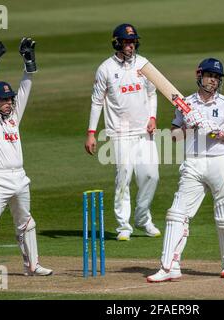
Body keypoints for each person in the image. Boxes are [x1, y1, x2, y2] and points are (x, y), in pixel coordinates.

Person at [147, 58, 224, 282]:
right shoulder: (186, 104)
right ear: (200, 76)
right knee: (176, 214)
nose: (214, 81)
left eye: (217, 77)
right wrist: (188, 126)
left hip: (220, 162)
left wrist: (220, 133)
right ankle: (169, 266)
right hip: (193, 162)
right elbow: (173, 136)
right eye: (210, 76)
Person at [0, 37, 52, 283]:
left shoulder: (14, 117)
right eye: (2, 100)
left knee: (26, 222)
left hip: (20, 177)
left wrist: (29, 64)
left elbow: (25, 89)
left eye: (8, 99)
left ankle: (32, 265)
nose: (7, 103)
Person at [85, 23, 161, 241]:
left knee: (151, 176)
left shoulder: (145, 64)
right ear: (117, 43)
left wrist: (153, 117)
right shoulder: (105, 69)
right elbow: (96, 102)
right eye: (127, 41)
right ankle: (123, 226)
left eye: (133, 41)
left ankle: (142, 218)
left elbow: (153, 93)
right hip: (119, 132)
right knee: (123, 178)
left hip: (145, 131)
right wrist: (91, 132)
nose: (131, 45)